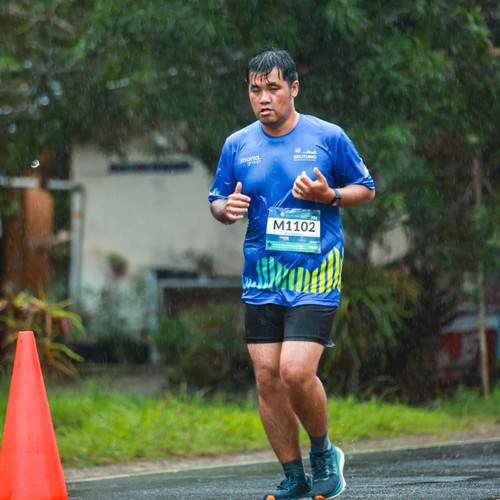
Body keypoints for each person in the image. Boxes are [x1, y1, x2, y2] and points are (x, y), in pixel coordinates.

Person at [208, 48, 375, 500]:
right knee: (267, 377)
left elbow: (365, 188)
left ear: (294, 88)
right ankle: (293, 476)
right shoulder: (237, 144)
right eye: (255, 90)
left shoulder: (328, 136)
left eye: (273, 88)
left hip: (315, 276)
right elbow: (217, 199)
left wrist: (329, 195)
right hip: (261, 277)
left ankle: (323, 453)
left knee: (295, 372)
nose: (263, 98)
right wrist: (227, 209)